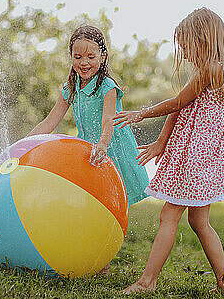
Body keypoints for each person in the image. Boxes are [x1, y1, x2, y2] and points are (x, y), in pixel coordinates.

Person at [113, 8, 224, 294]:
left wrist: (142, 113)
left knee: (169, 215)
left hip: (201, 152)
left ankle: (147, 281)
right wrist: (160, 142)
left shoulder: (213, 69)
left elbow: (178, 101)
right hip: (205, 152)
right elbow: (183, 105)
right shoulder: (217, 66)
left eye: (187, 46)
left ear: (203, 39)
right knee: (198, 219)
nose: (185, 53)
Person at [28, 25, 150, 272]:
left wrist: (103, 145)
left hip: (112, 149)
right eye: (78, 56)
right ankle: (88, 252)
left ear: (102, 56)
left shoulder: (107, 87)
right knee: (87, 202)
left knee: (109, 207)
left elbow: (108, 121)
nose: (84, 62)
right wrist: (24, 145)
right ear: (70, 56)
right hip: (88, 151)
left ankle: (102, 261)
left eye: (91, 57)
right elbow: (50, 122)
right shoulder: (70, 88)